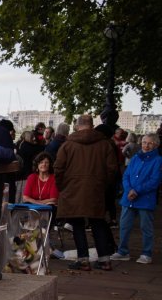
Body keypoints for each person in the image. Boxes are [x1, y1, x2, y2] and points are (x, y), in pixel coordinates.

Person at [54, 114, 118, 271]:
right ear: (92, 125)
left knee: (77, 224)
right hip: (96, 188)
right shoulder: (104, 144)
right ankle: (105, 260)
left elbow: (58, 168)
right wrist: (103, 185)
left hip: (73, 188)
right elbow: (112, 169)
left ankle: (83, 260)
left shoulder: (68, 145)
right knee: (98, 222)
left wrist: (64, 186)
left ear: (77, 126)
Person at [111, 134, 162, 264]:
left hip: (145, 198)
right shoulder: (135, 158)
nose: (146, 145)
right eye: (144, 142)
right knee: (124, 226)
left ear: (155, 145)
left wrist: (137, 190)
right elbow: (126, 176)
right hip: (129, 198)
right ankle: (123, 251)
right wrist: (129, 190)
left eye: (150, 143)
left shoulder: (158, 160)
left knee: (146, 227)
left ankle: (146, 253)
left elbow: (155, 180)